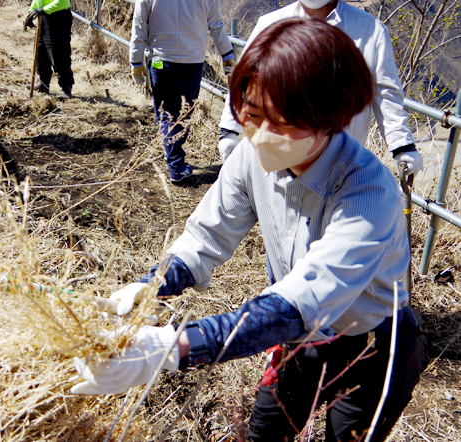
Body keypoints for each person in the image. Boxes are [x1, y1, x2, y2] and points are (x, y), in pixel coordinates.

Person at [71, 19, 424, 442]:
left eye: (283, 122)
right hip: (298, 337)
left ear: (331, 118)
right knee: (262, 434)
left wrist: (170, 347)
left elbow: (302, 300)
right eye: (252, 116)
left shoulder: (370, 193)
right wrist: (151, 287)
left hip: (371, 347)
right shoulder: (252, 154)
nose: (260, 136)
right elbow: (207, 236)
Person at [217, 0, 424, 179]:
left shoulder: (370, 31)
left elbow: (386, 95)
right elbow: (244, 82)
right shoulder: (271, 23)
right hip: (281, 160)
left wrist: (402, 146)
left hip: (342, 165)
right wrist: (229, 129)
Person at [129, 0, 236, 183]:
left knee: (166, 114)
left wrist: (136, 62)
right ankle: (175, 162)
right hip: (192, 62)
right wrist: (227, 54)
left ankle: (173, 157)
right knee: (185, 113)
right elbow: (216, 25)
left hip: (160, 62)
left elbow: (139, 26)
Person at [26, 0, 74, 100]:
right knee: (41, 51)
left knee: (58, 53)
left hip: (58, 16)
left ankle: (66, 88)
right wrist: (31, 11)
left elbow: (63, 1)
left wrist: (43, 9)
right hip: (43, 15)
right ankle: (43, 83)